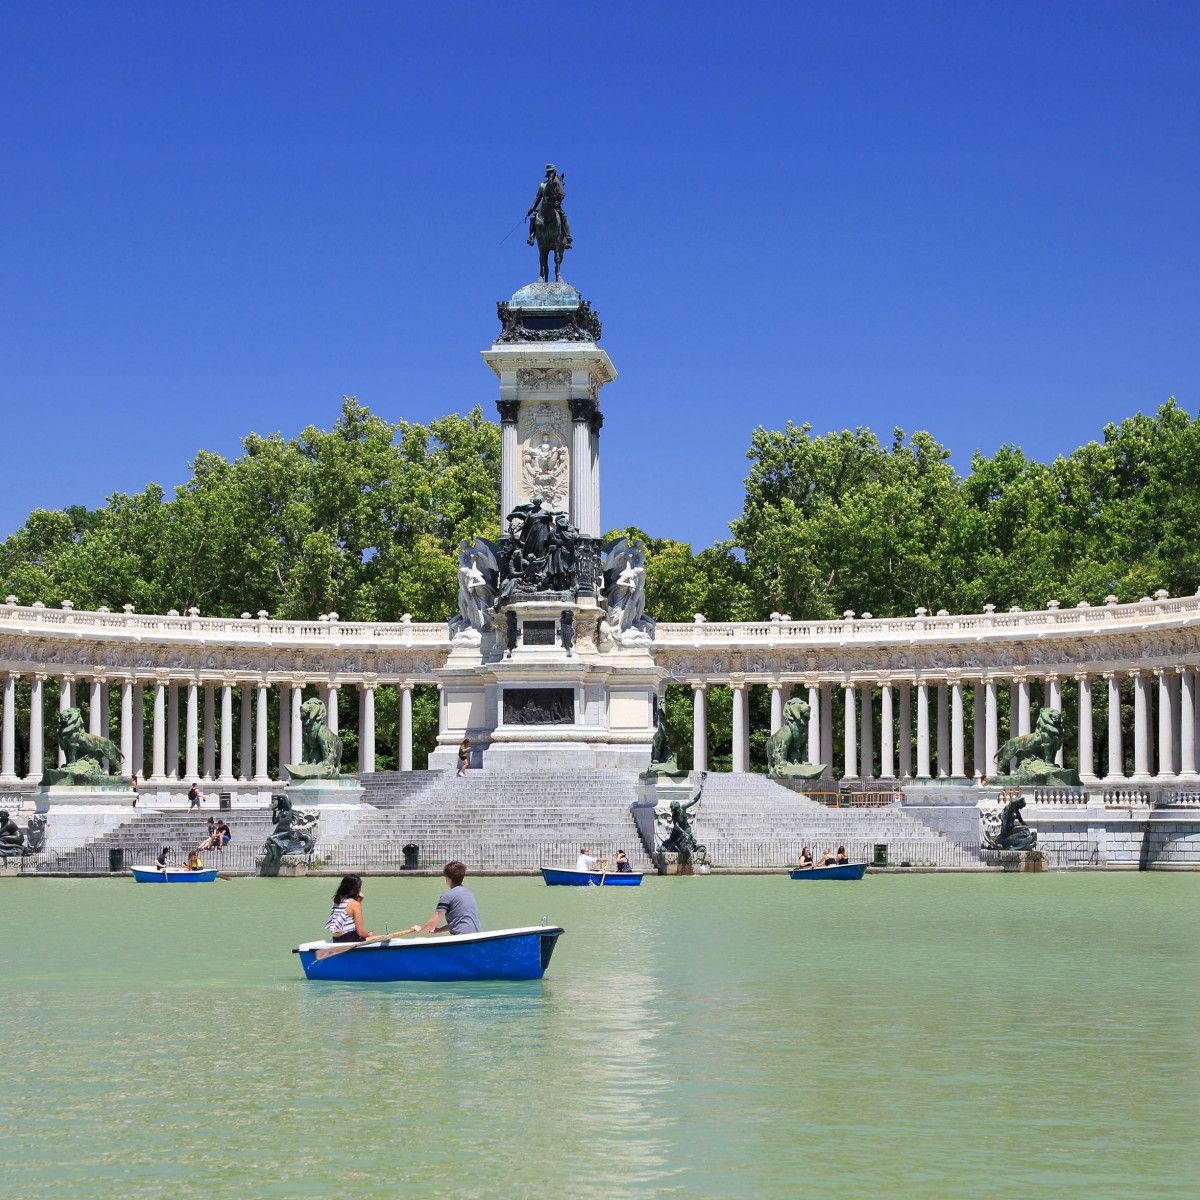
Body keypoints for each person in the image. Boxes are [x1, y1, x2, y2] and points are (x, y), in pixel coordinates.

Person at [406, 861, 481, 936]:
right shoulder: (469, 893)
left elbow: (432, 924)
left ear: (448, 878)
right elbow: (459, 923)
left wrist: (420, 929)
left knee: (419, 939)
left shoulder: (447, 896)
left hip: (461, 938)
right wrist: (438, 930)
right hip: (476, 936)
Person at [325, 874, 372, 943]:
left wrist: (359, 901)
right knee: (377, 937)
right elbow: (360, 932)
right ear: (357, 889)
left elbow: (348, 918)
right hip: (348, 938)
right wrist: (369, 936)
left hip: (336, 939)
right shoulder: (354, 904)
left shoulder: (336, 901)